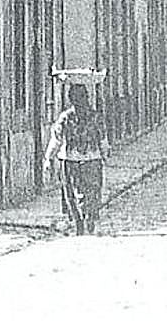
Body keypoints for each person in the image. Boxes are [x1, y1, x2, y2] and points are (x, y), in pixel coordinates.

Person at [43, 83, 109, 235]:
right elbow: (103, 139)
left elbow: (56, 140)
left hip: (70, 160)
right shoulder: (96, 116)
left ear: (70, 99)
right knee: (92, 191)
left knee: (71, 194)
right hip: (92, 159)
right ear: (87, 97)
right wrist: (104, 155)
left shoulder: (65, 117)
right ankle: (89, 219)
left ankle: (79, 223)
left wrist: (49, 158)